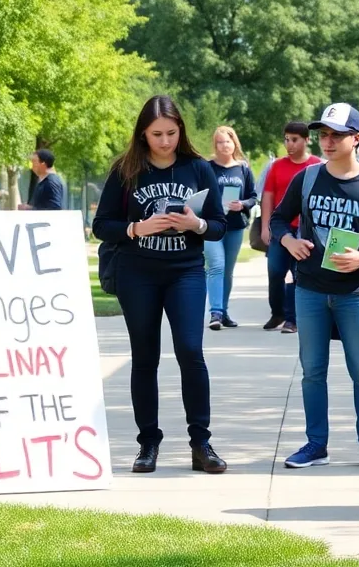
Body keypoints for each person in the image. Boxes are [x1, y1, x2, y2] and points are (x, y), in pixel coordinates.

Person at [92, 94, 229, 475]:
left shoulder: (198, 168)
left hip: (185, 271)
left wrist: (196, 225)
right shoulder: (126, 170)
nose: (165, 141)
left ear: (180, 131)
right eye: (156, 134)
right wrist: (137, 228)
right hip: (139, 273)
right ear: (142, 134)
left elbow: (219, 225)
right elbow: (101, 225)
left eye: (171, 132)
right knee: (145, 356)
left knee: (190, 351)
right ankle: (147, 444)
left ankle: (201, 443)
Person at [271, 104, 359, 470]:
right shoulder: (309, 178)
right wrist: (289, 242)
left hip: (356, 293)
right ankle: (316, 444)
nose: (327, 141)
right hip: (310, 289)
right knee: (312, 370)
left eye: (336, 135)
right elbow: (279, 219)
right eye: (323, 134)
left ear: (356, 139)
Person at [260, 121, 322, 333]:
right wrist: (266, 226)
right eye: (286, 139)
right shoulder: (277, 166)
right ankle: (277, 312)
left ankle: (292, 319)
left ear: (307, 140)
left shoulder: (317, 166)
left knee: (298, 273)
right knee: (275, 270)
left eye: (294, 140)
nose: (290, 144)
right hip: (281, 227)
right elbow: (267, 196)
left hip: (305, 229)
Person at [205, 126, 257, 330]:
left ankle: (224, 312)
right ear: (215, 145)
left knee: (227, 271)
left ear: (234, 143)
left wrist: (242, 204)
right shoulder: (207, 167)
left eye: (227, 141)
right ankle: (215, 312)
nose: (224, 145)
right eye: (219, 142)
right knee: (216, 266)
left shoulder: (243, 168)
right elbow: (198, 194)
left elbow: (253, 197)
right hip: (212, 225)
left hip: (235, 226)